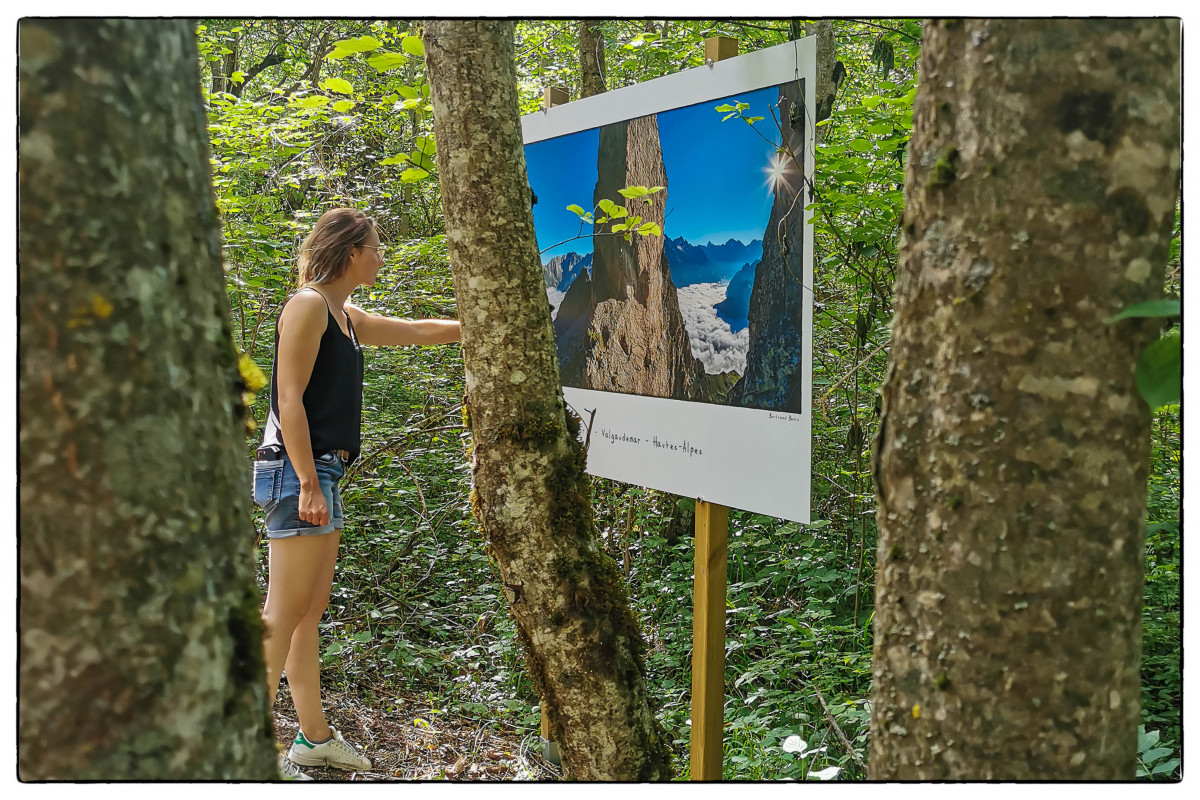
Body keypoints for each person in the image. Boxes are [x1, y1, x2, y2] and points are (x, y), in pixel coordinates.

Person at [252, 208, 460, 780]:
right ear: (349, 253)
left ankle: (312, 740)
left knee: (306, 613)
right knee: (283, 611)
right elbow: (288, 401)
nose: (381, 255)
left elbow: (416, 331)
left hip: (322, 471)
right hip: (299, 472)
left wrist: (480, 325)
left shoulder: (345, 316)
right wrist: (310, 484)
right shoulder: (307, 306)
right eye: (375, 246)